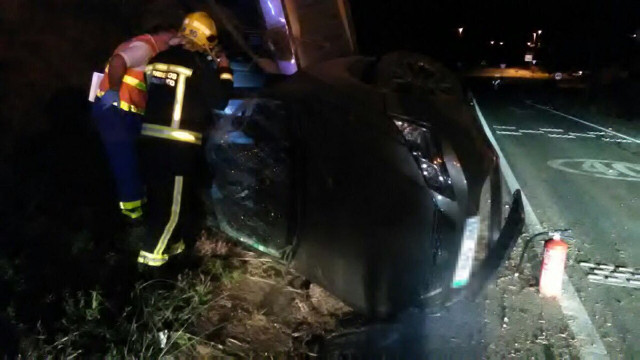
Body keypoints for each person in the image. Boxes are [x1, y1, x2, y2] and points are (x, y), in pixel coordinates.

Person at [135, 12, 234, 267]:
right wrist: (223, 69)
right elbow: (220, 99)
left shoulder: (157, 59)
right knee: (173, 205)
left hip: (150, 141)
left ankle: (174, 244)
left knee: (158, 198)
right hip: (177, 146)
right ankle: (151, 263)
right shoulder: (196, 65)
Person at [92, 27, 180, 222]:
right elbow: (118, 61)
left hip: (122, 112)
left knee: (130, 160)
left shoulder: (138, 43)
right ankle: (134, 215)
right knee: (126, 160)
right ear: (165, 34)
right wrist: (114, 92)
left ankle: (136, 207)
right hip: (117, 110)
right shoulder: (145, 48)